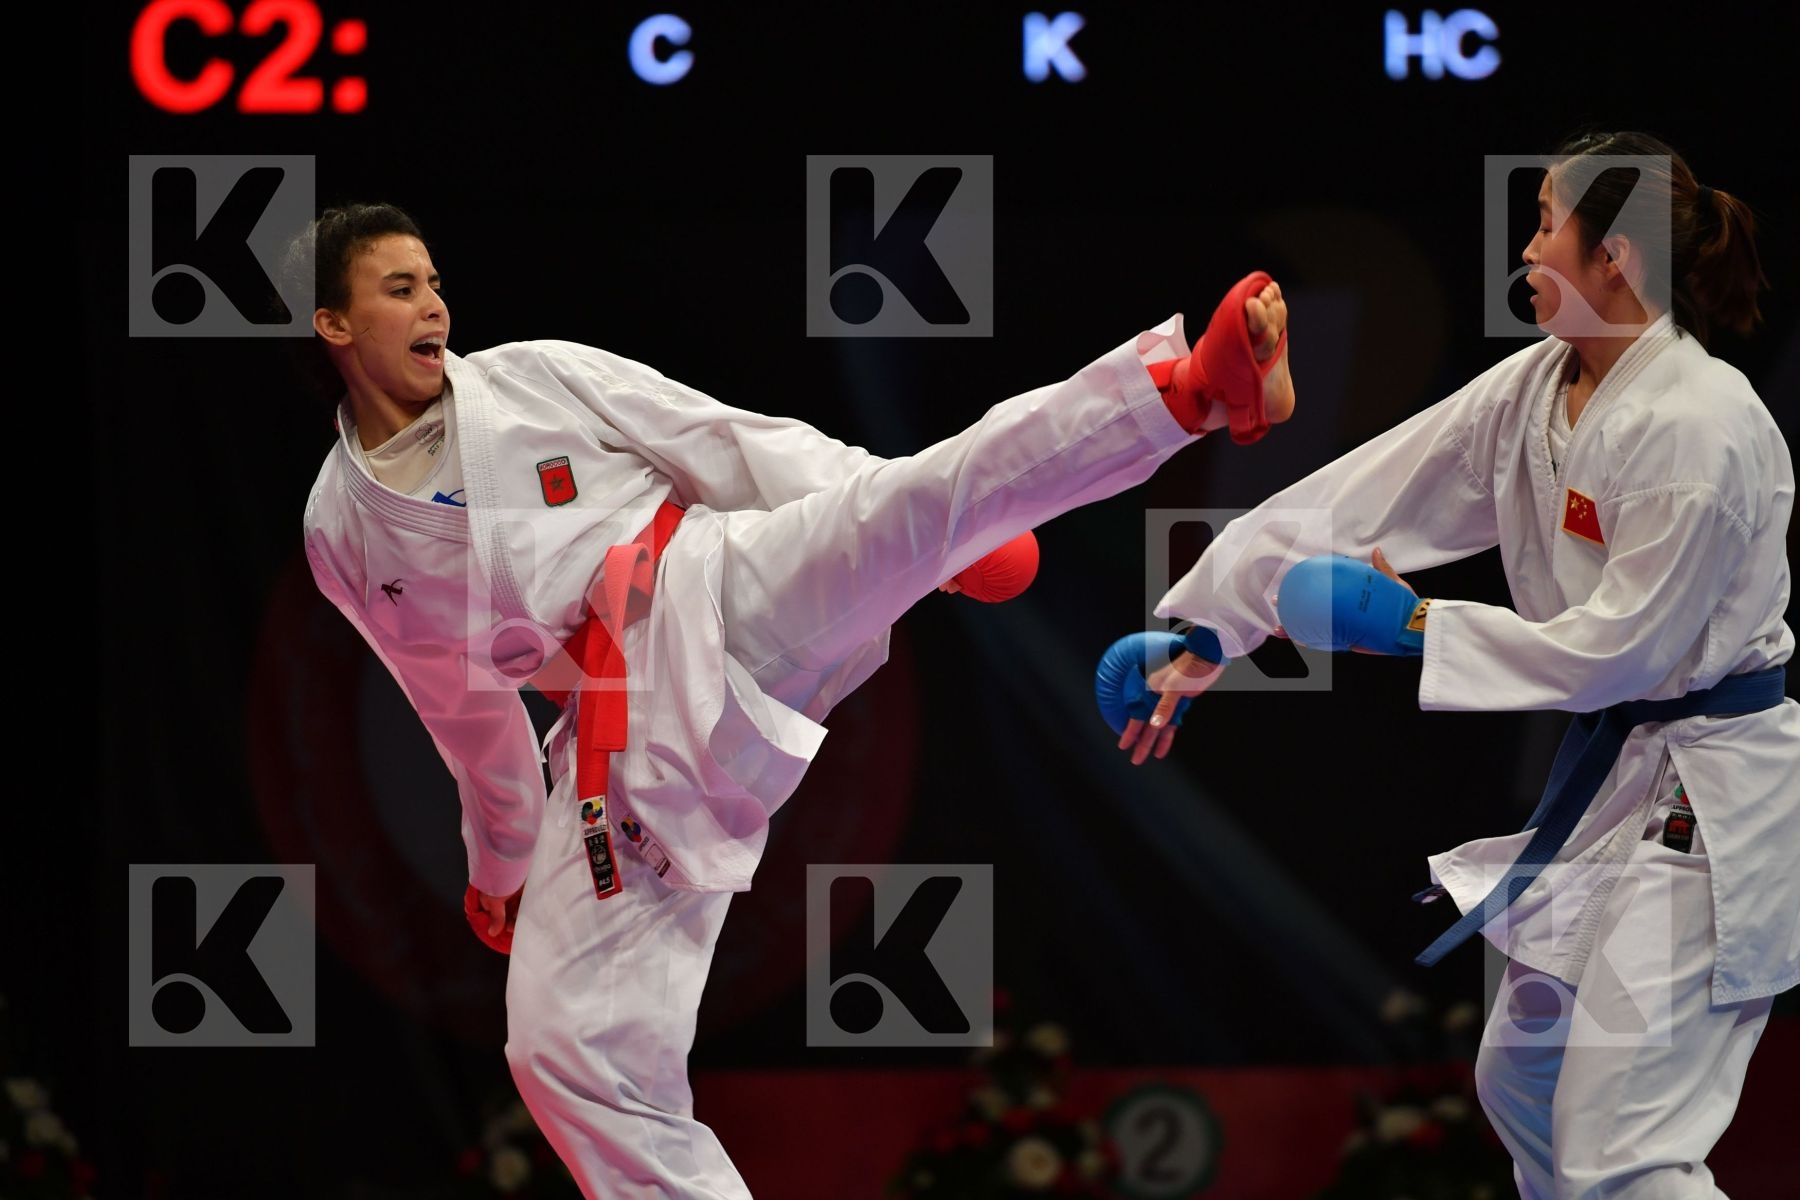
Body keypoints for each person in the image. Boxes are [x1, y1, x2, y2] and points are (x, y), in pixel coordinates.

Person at [294, 201, 1294, 1199]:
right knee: (564, 1053)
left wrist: (935, 548)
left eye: (434, 283)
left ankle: (1188, 387)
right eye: (399, 288)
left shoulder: (529, 380)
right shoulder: (343, 532)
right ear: (334, 324)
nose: (435, 306)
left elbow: (732, 443)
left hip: (707, 593)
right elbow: (458, 709)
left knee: (903, 504)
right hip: (621, 755)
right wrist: (501, 863)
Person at [1124, 131, 1795, 1197]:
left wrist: (1418, 627)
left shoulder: (1701, 429)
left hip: (1707, 802)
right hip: (1622, 788)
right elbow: (1368, 492)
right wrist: (1212, 621)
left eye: (1543, 224)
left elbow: (1623, 651)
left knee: (1627, 1146)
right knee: (1523, 1079)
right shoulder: (1537, 389)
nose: (1526, 249)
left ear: (1614, 255)